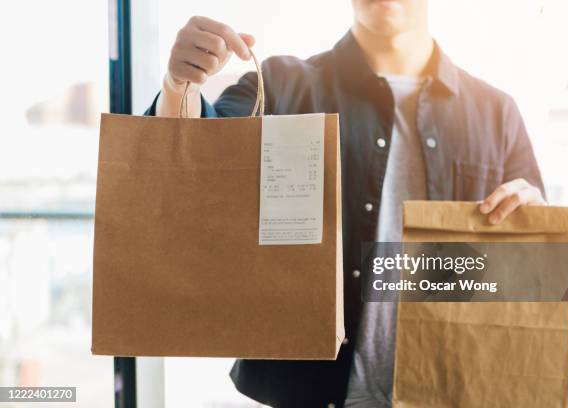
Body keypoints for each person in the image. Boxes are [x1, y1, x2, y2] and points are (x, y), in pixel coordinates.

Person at [145, 0, 547, 406]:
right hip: (310, 393)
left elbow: (536, 282)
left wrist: (536, 232)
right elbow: (192, 171)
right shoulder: (282, 84)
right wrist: (180, 86)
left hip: (453, 393)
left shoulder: (497, 113)